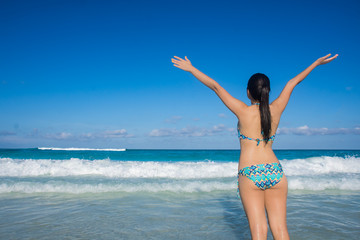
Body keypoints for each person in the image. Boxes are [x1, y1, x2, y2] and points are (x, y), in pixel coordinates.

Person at [171, 53, 338, 240]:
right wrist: (316, 63)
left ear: (248, 92)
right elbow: (292, 83)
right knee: (281, 230)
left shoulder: (243, 111)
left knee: (259, 232)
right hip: (276, 171)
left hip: (250, 173)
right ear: (268, 91)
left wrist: (192, 68)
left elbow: (216, 87)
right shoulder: (276, 109)